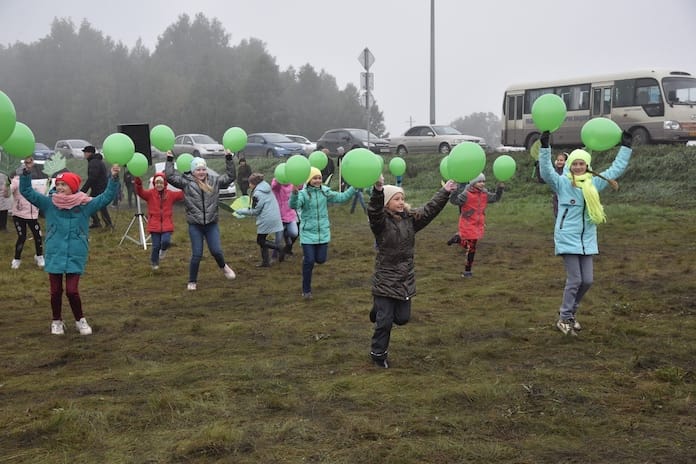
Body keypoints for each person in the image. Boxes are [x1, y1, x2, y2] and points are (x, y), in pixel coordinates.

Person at [538, 130, 633, 336]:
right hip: (567, 238)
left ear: (587, 166)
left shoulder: (594, 184)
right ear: (570, 166)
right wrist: (545, 147)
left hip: (587, 240)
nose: (578, 167)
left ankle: (570, 313)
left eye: (582, 164)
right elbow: (546, 171)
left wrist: (626, 147)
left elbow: (615, 169)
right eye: (575, 164)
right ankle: (564, 318)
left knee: (587, 280)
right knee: (575, 280)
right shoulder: (562, 183)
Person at [18, 157, 121, 335]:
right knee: (55, 292)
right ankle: (57, 321)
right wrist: (26, 172)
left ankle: (80, 320)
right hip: (55, 253)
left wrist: (113, 179)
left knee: (72, 291)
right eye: (58, 185)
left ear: (73, 187)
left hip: (76, 253)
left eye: (63, 185)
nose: (59, 188)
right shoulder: (49, 203)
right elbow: (27, 192)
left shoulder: (84, 205)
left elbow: (105, 198)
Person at [367, 175, 458, 368]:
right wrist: (378, 189)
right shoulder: (380, 224)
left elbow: (429, 210)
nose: (401, 202)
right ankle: (378, 355)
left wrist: (445, 192)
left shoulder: (410, 220)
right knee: (385, 322)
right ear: (387, 203)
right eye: (396, 199)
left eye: (402, 198)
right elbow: (374, 210)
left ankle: (377, 309)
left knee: (402, 318)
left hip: (404, 279)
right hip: (385, 279)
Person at [164, 152, 237, 290]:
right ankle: (192, 281)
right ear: (193, 171)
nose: (201, 172)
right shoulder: (186, 183)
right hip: (195, 225)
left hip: (211, 224)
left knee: (216, 251)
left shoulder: (214, 181)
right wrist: (169, 160)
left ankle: (224, 267)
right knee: (197, 254)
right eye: (198, 169)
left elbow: (230, 177)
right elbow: (170, 176)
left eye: (203, 169)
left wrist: (228, 159)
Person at [289, 167, 355, 299]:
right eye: (314, 178)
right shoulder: (303, 194)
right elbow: (294, 206)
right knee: (310, 261)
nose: (318, 180)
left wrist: (354, 187)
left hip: (323, 233)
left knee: (321, 259)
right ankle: (306, 290)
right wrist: (295, 194)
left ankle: (308, 259)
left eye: (319, 178)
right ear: (309, 180)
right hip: (308, 233)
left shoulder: (325, 192)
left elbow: (342, 198)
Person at [450, 173, 504, 278]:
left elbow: (495, 198)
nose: (482, 184)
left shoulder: (485, 194)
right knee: (472, 248)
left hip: (478, 224)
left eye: (483, 181)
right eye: (479, 181)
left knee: (470, 247)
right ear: (473, 183)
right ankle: (467, 271)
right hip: (467, 224)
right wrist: (454, 190)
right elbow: (454, 201)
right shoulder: (466, 194)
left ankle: (458, 239)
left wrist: (500, 189)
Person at [134, 172, 184, 270]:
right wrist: (138, 182)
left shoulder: (170, 194)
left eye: (161, 183)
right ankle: (154, 262)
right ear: (154, 184)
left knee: (165, 241)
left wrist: (186, 184)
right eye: (157, 183)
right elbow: (140, 192)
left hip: (167, 224)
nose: (159, 185)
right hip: (154, 225)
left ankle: (164, 250)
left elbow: (182, 194)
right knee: (156, 246)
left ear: (164, 183)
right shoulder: (150, 194)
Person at [235, 173, 284, 267]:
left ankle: (279, 248)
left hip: (266, 218)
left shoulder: (258, 193)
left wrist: (242, 211)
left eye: (250, 183)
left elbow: (255, 211)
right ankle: (265, 262)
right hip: (274, 216)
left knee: (260, 240)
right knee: (263, 240)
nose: (249, 185)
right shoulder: (266, 188)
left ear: (254, 183)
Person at [9, 157, 46, 269]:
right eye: (25, 162)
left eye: (30, 162)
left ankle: (39, 256)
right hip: (19, 215)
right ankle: (16, 259)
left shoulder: (37, 178)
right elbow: (8, 191)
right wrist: (7, 186)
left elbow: (42, 194)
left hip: (33, 215)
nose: (28, 164)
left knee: (38, 236)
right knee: (22, 236)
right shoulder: (16, 180)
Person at [80, 145, 114, 229]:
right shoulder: (96, 161)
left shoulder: (93, 162)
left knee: (96, 205)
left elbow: (92, 177)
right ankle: (99, 222)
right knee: (95, 204)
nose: (84, 154)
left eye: (85, 152)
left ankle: (105, 223)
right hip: (99, 187)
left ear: (89, 153)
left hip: (98, 188)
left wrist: (83, 190)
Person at [271, 176, 299, 256]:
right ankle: (274, 255)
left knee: (294, 233)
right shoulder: (277, 185)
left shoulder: (292, 184)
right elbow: (274, 186)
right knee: (278, 240)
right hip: (279, 216)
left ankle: (285, 234)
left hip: (290, 214)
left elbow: (300, 186)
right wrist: (279, 179)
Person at [536, 151, 568, 218]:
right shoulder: (554, 171)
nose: (559, 162)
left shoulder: (569, 172)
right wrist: (538, 167)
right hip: (556, 198)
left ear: (566, 161)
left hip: (566, 198)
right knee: (558, 216)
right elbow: (542, 180)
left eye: (561, 160)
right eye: (558, 160)